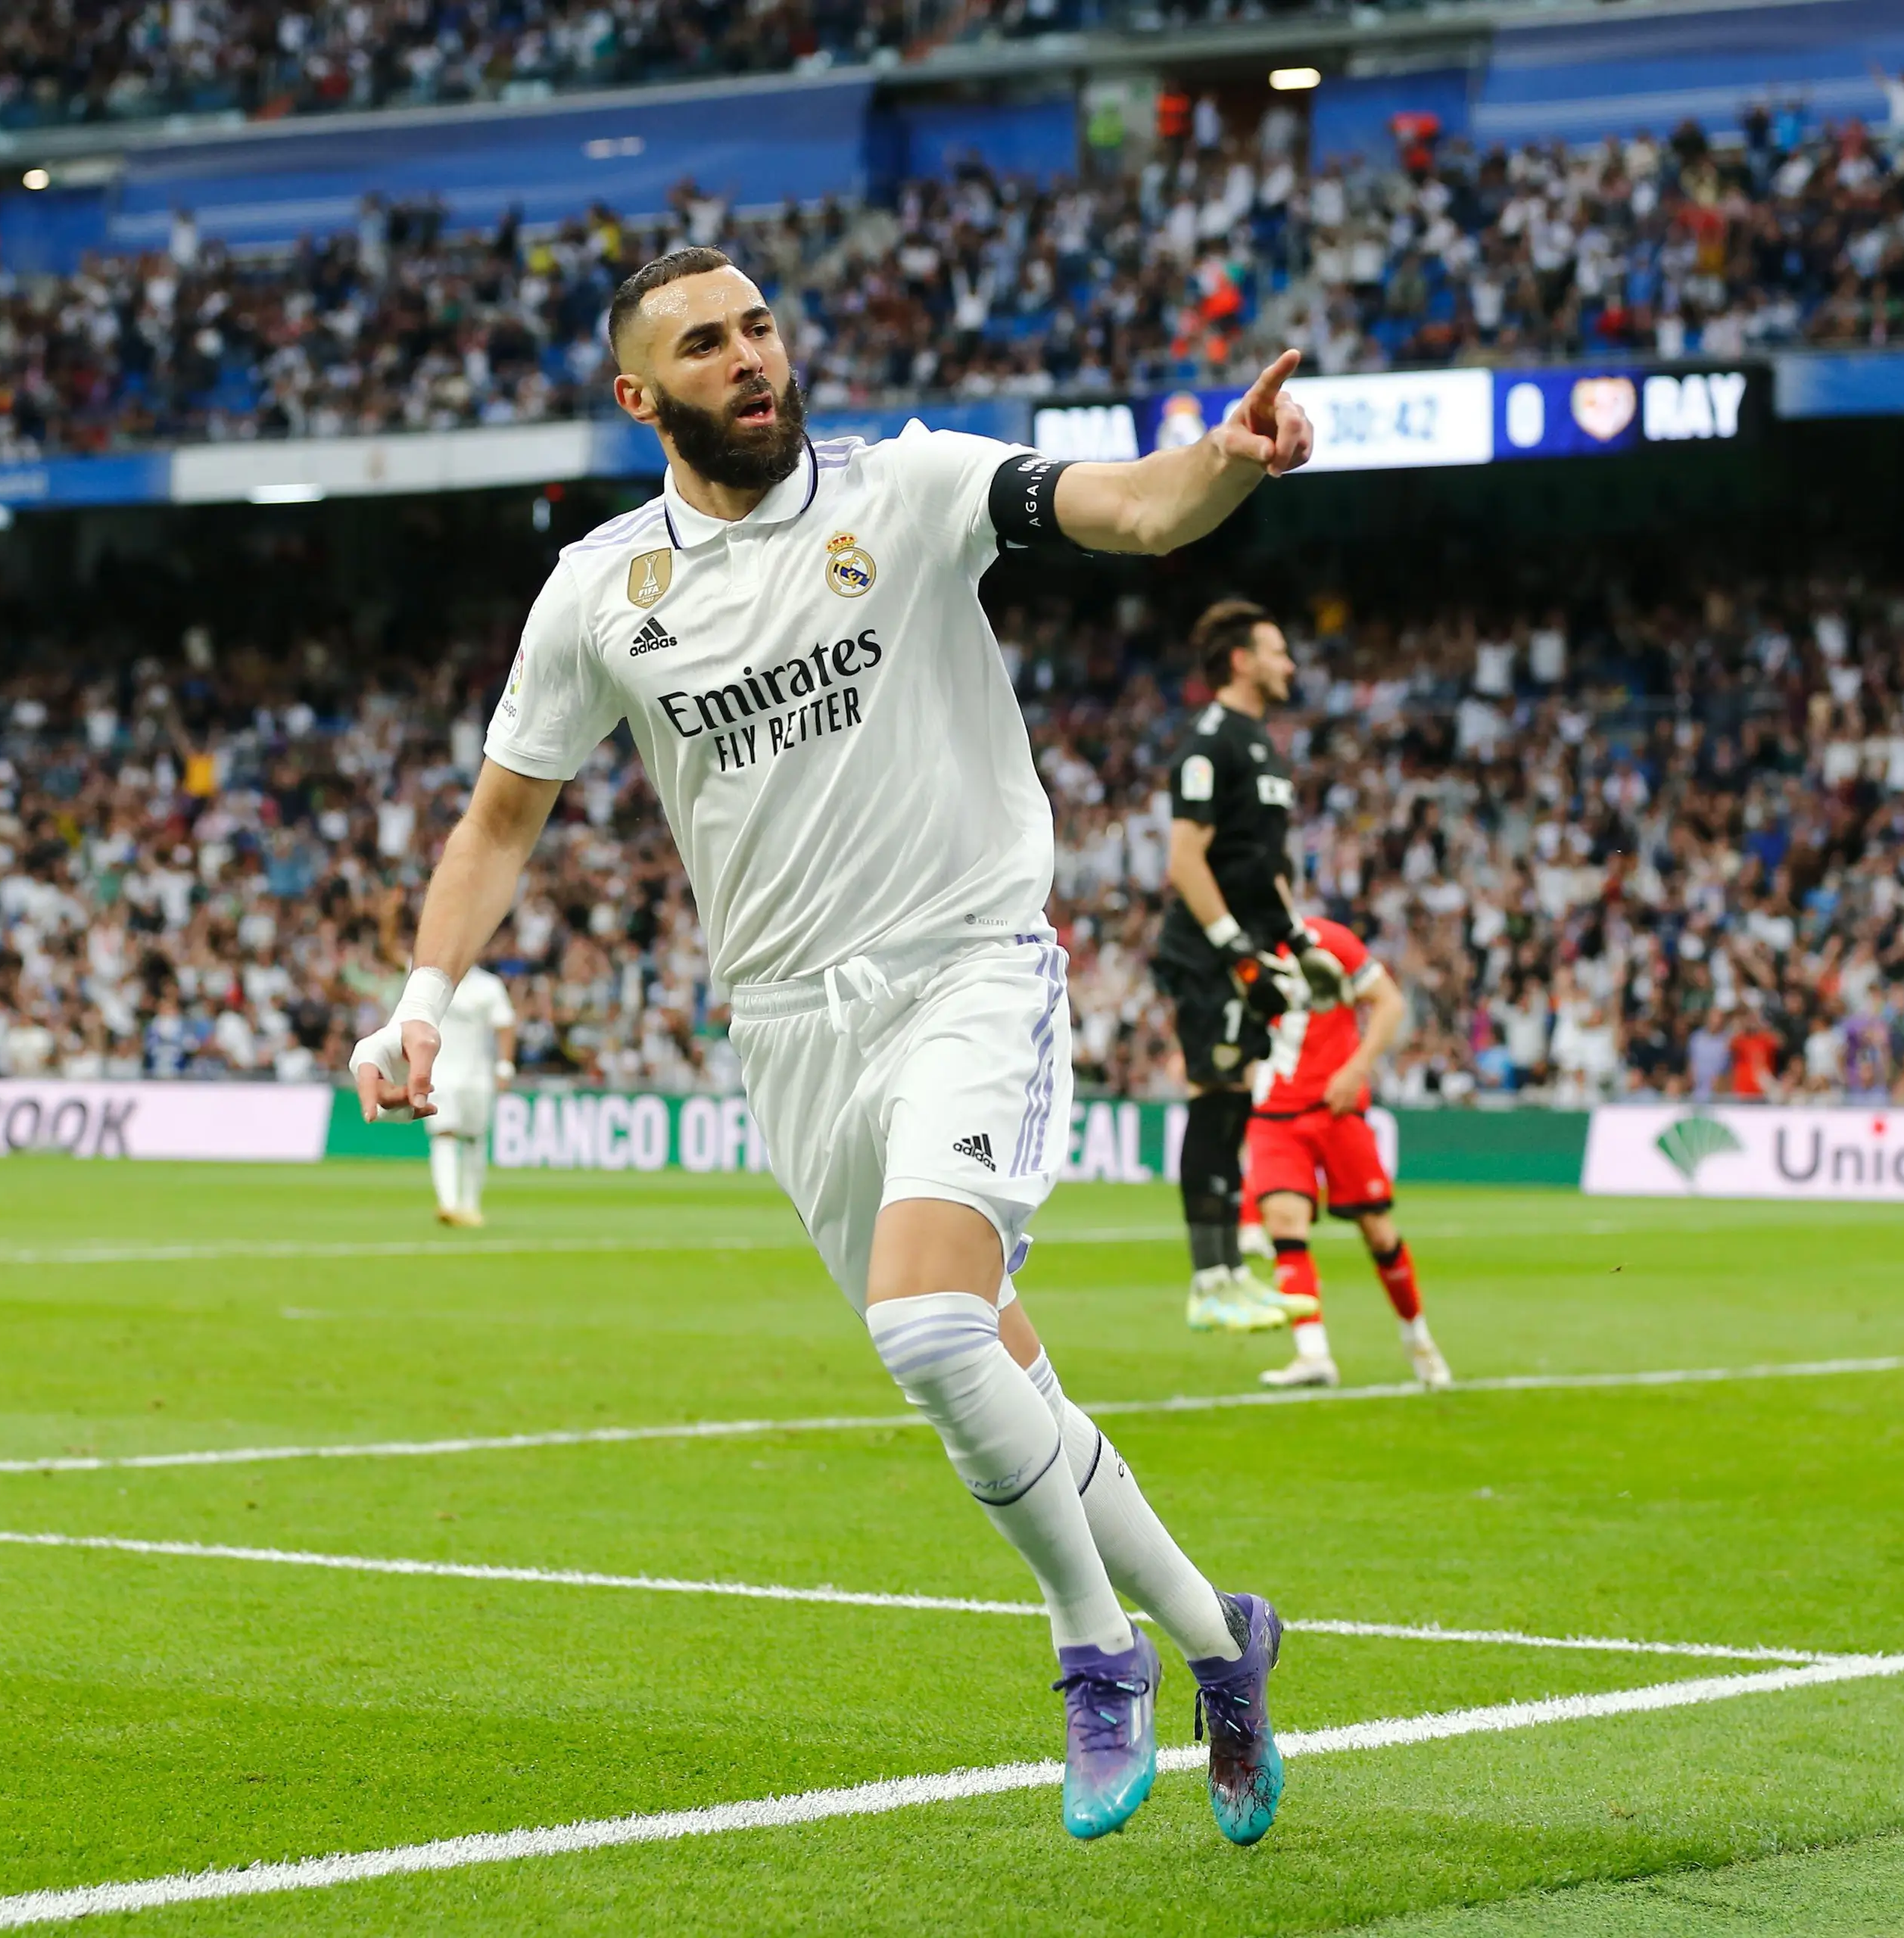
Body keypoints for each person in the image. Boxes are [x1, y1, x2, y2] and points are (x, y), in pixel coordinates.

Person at [347, 247, 1313, 1846]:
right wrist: (421, 1001)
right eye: (705, 344)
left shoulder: (914, 486)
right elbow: (501, 816)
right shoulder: (598, 590)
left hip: (965, 970)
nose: (750, 357)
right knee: (1002, 1378)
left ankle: (1095, 1650)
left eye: (760, 326)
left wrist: (1222, 459)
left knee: (930, 1326)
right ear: (639, 395)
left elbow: (1131, 511)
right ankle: (1224, 1640)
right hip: (788, 1033)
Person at [1154, 600, 1344, 1334]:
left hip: (1251, 950)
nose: (1290, 664)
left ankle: (1231, 1271)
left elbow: (1264, 866)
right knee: (1216, 1098)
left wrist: (1297, 940)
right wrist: (1236, 950)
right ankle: (1209, 1282)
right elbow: (1185, 860)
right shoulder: (1210, 741)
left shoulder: (1262, 745)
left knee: (1234, 1103)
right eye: (1278, 651)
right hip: (1208, 954)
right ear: (1241, 660)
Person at [1240, 915, 1451, 1391]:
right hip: (1276, 1113)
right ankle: (1313, 1355)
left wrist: (1356, 1070)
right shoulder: (1240, 951)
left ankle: (1417, 1336)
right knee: (1286, 1226)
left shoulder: (1327, 940)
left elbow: (1390, 1003)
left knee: (1378, 1232)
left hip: (1338, 1108)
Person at [425, 965, 515, 1225]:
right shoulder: (432, 982)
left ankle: (470, 1204)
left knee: (475, 1137)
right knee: (444, 1132)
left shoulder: (489, 986)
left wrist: (505, 1067)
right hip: (440, 1075)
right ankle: (448, 1204)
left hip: (478, 1076)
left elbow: (505, 1025)